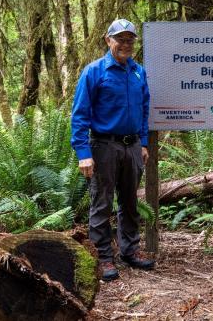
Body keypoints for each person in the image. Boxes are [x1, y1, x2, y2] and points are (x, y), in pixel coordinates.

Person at [71, 18, 154, 282]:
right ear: (109, 41)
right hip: (104, 146)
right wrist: (83, 153)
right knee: (102, 202)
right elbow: (80, 115)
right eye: (120, 39)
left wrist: (142, 143)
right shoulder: (94, 72)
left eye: (130, 40)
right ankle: (103, 256)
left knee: (130, 201)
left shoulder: (138, 72)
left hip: (131, 147)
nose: (125, 44)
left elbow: (143, 109)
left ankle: (129, 251)